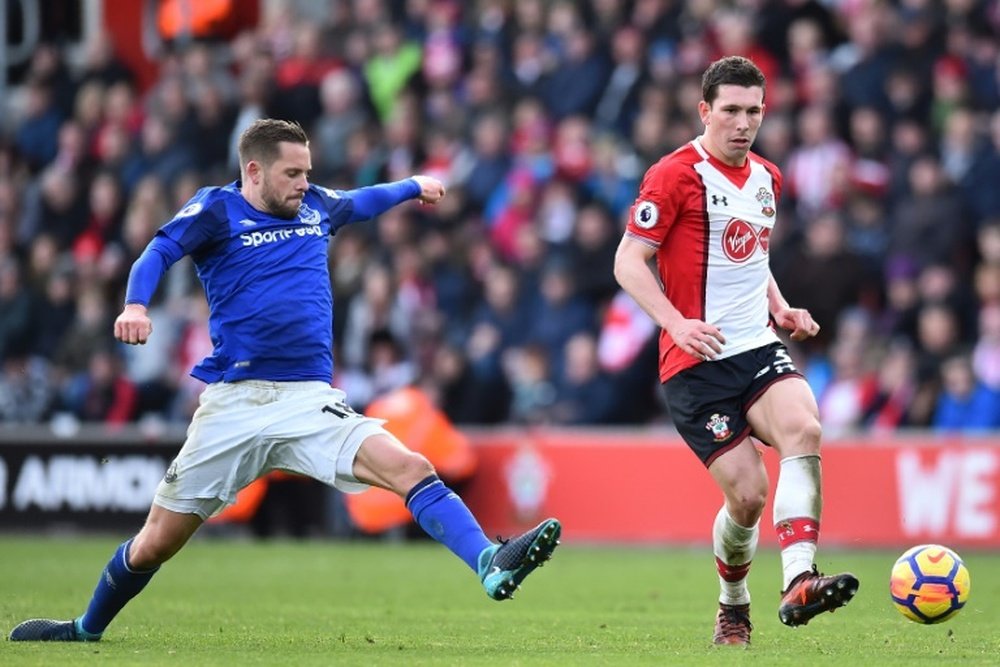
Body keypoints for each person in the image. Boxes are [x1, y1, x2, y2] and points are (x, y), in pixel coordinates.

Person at [9, 118, 561, 642]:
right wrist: (135, 304)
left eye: (307, 172)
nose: (304, 183)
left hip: (308, 400)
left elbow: (363, 201)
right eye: (291, 173)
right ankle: (85, 627)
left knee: (411, 466)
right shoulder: (216, 209)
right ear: (253, 171)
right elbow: (157, 252)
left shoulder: (317, 205)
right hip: (235, 404)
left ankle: (489, 562)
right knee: (154, 545)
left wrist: (413, 185)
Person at [612, 56, 858, 647]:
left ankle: (799, 579)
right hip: (695, 364)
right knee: (747, 496)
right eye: (731, 111)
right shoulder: (674, 175)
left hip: (755, 344)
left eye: (753, 111)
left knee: (805, 427)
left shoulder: (769, 178)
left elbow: (750, 257)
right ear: (705, 111)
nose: (743, 123)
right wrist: (676, 322)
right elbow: (627, 260)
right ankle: (733, 603)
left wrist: (780, 306)